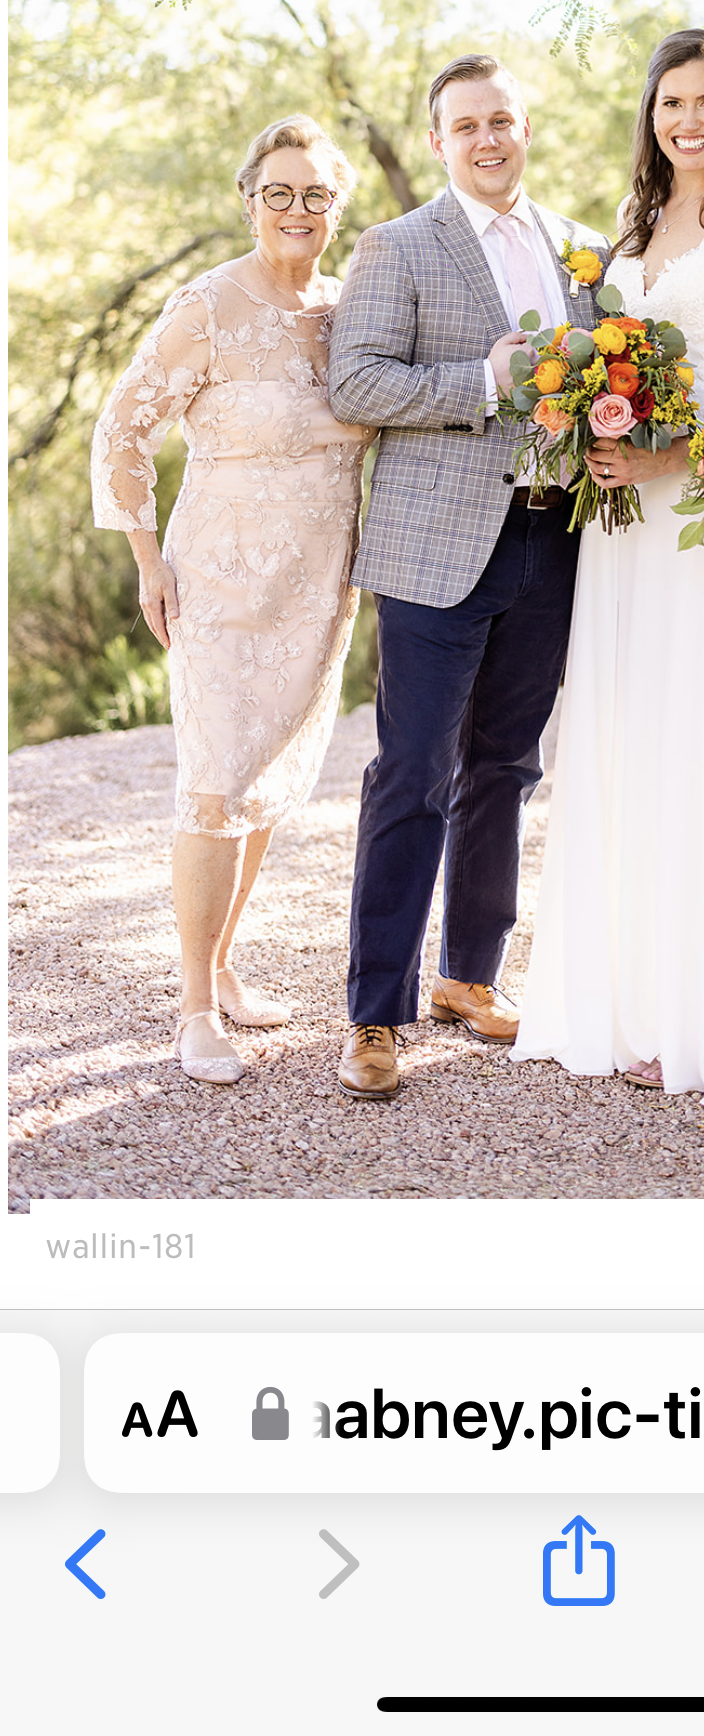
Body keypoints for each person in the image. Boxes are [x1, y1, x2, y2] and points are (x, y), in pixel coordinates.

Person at [512, 29, 704, 1105]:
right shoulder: (634, 226)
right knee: (633, 738)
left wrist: (669, 454)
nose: (687, 121)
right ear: (651, 115)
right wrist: (590, 419)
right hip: (623, 529)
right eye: (670, 103)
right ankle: (641, 1003)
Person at [326, 54, 609, 1099]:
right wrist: (478, 382)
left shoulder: (581, 250)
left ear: (525, 128)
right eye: (466, 126)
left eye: (502, 120)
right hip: (433, 550)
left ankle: (468, 976)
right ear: (439, 140)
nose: (487, 139)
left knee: (506, 768)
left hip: (551, 540)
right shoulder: (397, 244)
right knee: (413, 773)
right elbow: (354, 383)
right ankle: (375, 1014)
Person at [91, 116, 371, 1085]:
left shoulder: (347, 311)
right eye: (278, 192)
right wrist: (147, 561)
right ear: (249, 201)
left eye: (315, 194)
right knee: (214, 781)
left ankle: (223, 964)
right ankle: (195, 1007)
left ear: (336, 207)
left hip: (317, 586)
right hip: (217, 580)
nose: (297, 209)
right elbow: (121, 430)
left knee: (264, 780)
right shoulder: (207, 306)